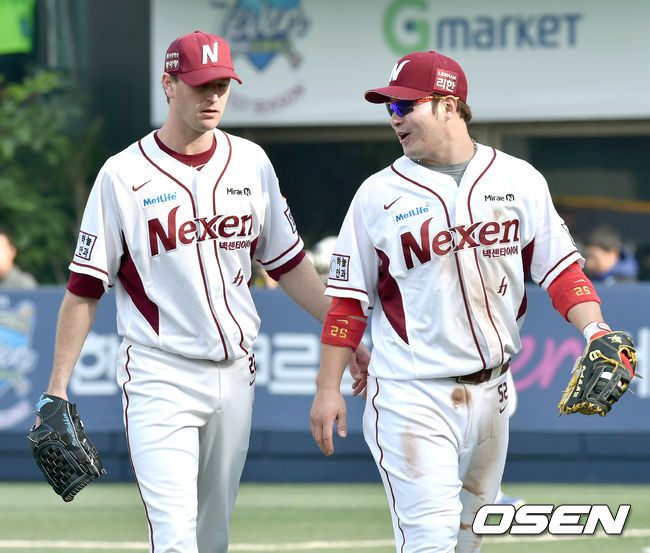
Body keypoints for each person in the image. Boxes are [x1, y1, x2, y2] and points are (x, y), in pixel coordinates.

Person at [33, 31, 368, 553]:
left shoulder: (251, 162)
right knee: (174, 537)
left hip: (236, 373)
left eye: (221, 85)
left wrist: (346, 334)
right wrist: (56, 387)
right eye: (199, 85)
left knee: (213, 537)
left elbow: (289, 264)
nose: (212, 96)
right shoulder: (122, 175)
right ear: (169, 85)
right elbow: (84, 288)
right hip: (159, 374)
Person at [310, 50, 632, 553]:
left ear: (448, 104)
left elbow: (562, 271)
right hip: (412, 394)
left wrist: (596, 330)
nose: (393, 118)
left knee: (468, 541)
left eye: (404, 106)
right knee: (430, 542)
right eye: (389, 108)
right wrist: (327, 387)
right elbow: (348, 304)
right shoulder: (377, 195)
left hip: (493, 394)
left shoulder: (518, 179)